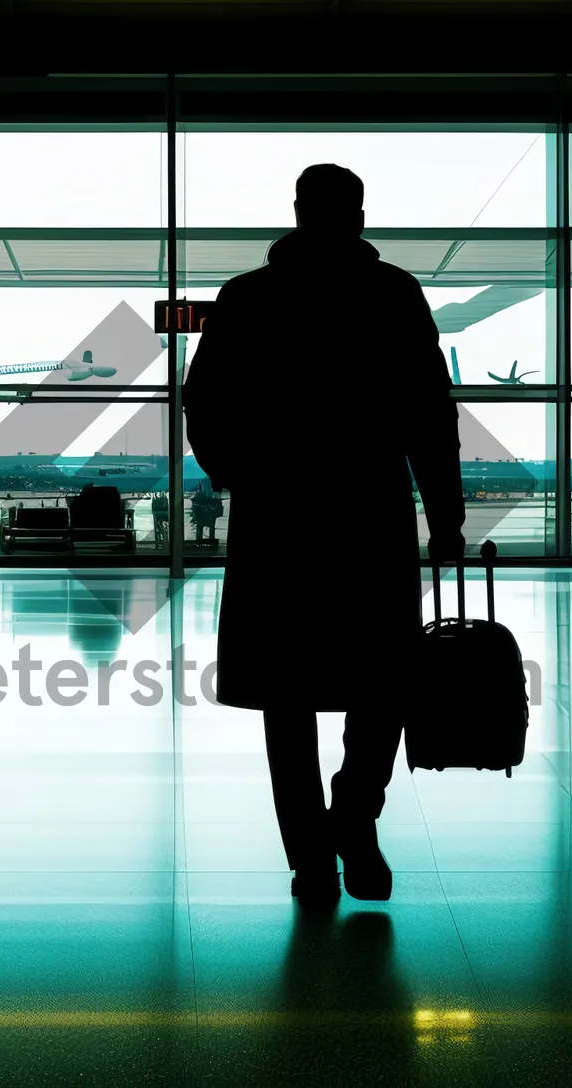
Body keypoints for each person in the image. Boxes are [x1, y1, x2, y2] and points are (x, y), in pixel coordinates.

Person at [183, 164, 465, 908]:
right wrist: (446, 518)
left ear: (300, 212)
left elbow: (203, 402)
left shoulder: (247, 297)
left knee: (288, 693)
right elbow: (431, 415)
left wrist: (242, 473)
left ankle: (310, 856)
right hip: (369, 512)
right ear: (361, 215)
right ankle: (355, 818)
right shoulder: (394, 294)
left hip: (279, 520)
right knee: (384, 680)